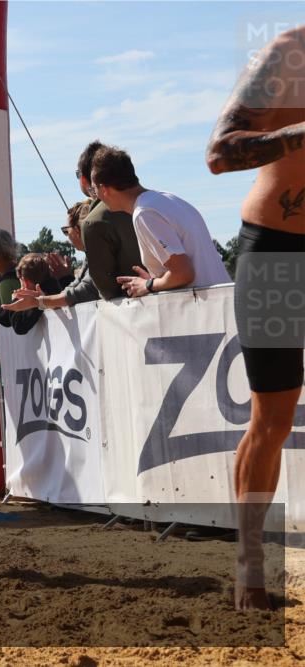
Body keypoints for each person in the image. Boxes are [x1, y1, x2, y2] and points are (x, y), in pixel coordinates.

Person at [205, 25, 305, 610]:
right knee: (273, 416)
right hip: (277, 249)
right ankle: (251, 567)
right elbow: (220, 152)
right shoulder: (288, 54)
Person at [88, 146, 231, 297]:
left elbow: (184, 274)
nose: (95, 195)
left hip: (206, 310)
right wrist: (156, 281)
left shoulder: (144, 213)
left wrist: (148, 285)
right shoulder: (168, 199)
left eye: (93, 189)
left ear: (104, 189)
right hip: (221, 302)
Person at [75, 141, 146, 299]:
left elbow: (106, 291)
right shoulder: (161, 203)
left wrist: (42, 302)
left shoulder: (95, 223)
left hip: (134, 312)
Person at [3, 201, 100, 312]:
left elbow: (83, 292)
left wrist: (39, 301)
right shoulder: (90, 256)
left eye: (66, 230)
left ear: (77, 230)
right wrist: (43, 298)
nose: (67, 236)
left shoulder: (96, 255)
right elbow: (73, 289)